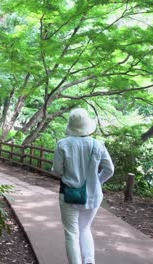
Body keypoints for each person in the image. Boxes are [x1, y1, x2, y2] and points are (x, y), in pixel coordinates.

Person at [52, 108, 114, 264]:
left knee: (71, 234)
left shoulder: (62, 144)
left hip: (69, 194)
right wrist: (96, 182)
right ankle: (89, 261)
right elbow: (109, 170)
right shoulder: (97, 145)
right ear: (87, 125)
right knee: (85, 228)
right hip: (93, 195)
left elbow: (57, 170)